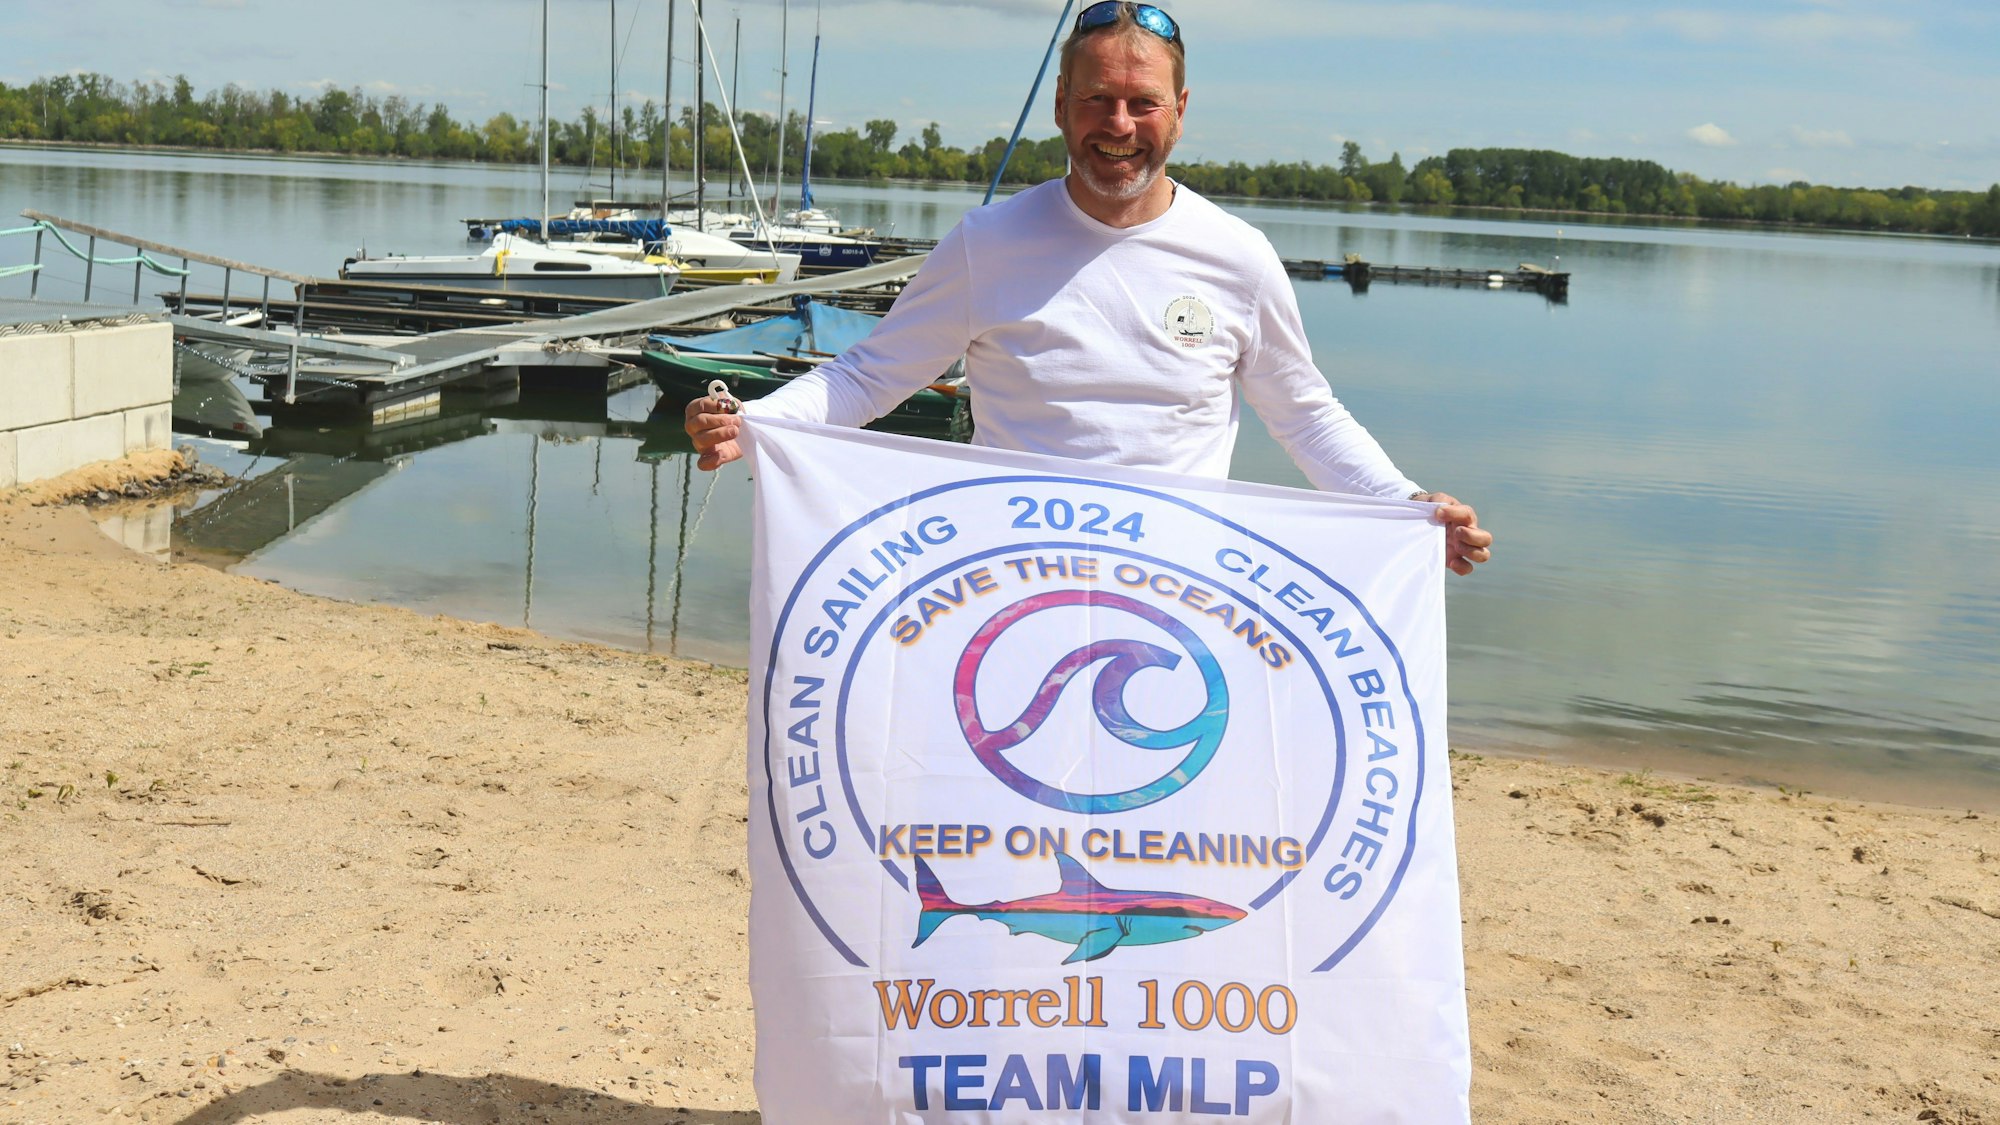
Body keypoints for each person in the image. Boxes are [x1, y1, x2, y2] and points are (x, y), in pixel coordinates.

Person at [686, 1, 1493, 575]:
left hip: (1179, 585)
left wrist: (1405, 504)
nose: (1119, 124)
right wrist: (756, 424)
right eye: (1098, 100)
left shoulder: (1240, 258)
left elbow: (1308, 419)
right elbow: (869, 376)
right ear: (1063, 109)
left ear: (1179, 111)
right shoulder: (986, 245)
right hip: (995, 576)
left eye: (1142, 103)